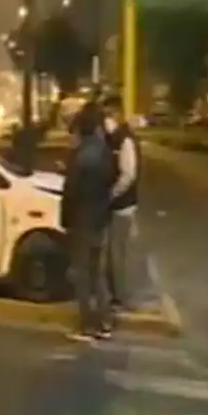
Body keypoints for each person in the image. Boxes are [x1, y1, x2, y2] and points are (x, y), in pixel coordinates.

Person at [62, 102, 117, 342]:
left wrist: (66, 219)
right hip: (101, 218)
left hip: (82, 219)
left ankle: (86, 324)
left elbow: (71, 190)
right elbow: (111, 183)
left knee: (82, 274)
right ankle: (105, 322)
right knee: (98, 273)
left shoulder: (79, 155)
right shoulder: (105, 153)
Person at [101, 95, 139, 311]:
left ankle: (120, 298)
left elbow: (128, 174)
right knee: (112, 254)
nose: (107, 120)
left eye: (109, 114)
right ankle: (116, 294)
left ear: (118, 114)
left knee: (117, 254)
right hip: (115, 205)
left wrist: (111, 194)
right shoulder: (113, 138)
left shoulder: (125, 140)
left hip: (122, 206)